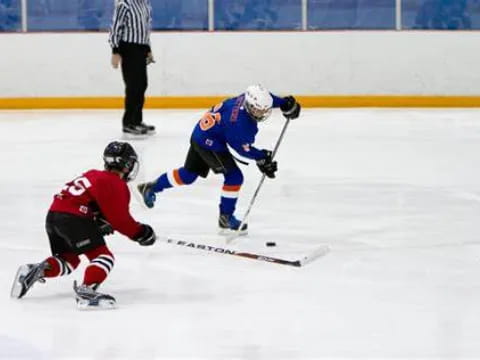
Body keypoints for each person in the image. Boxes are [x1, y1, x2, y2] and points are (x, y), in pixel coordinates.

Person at [11, 141, 157, 309]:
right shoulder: (116, 183)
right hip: (73, 218)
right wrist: (141, 233)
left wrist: (99, 222)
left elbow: (90, 204)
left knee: (69, 261)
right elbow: (121, 221)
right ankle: (87, 292)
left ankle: (34, 271)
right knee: (104, 257)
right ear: (127, 165)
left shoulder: (93, 174)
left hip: (54, 215)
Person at [137, 84, 301, 233]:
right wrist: (261, 157)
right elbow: (242, 149)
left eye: (264, 109)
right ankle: (226, 217)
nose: (263, 113)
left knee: (188, 175)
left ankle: (151, 187)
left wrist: (284, 103)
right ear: (250, 107)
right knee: (234, 177)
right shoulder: (240, 123)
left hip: (202, 133)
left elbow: (267, 99)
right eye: (259, 110)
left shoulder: (248, 98)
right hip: (210, 142)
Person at [109, 0, 156, 136]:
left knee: (142, 85)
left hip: (141, 48)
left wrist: (148, 49)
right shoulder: (124, 4)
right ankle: (129, 122)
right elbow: (116, 27)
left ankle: (137, 120)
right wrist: (115, 51)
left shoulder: (144, 4)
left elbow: (145, 29)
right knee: (133, 86)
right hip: (128, 47)